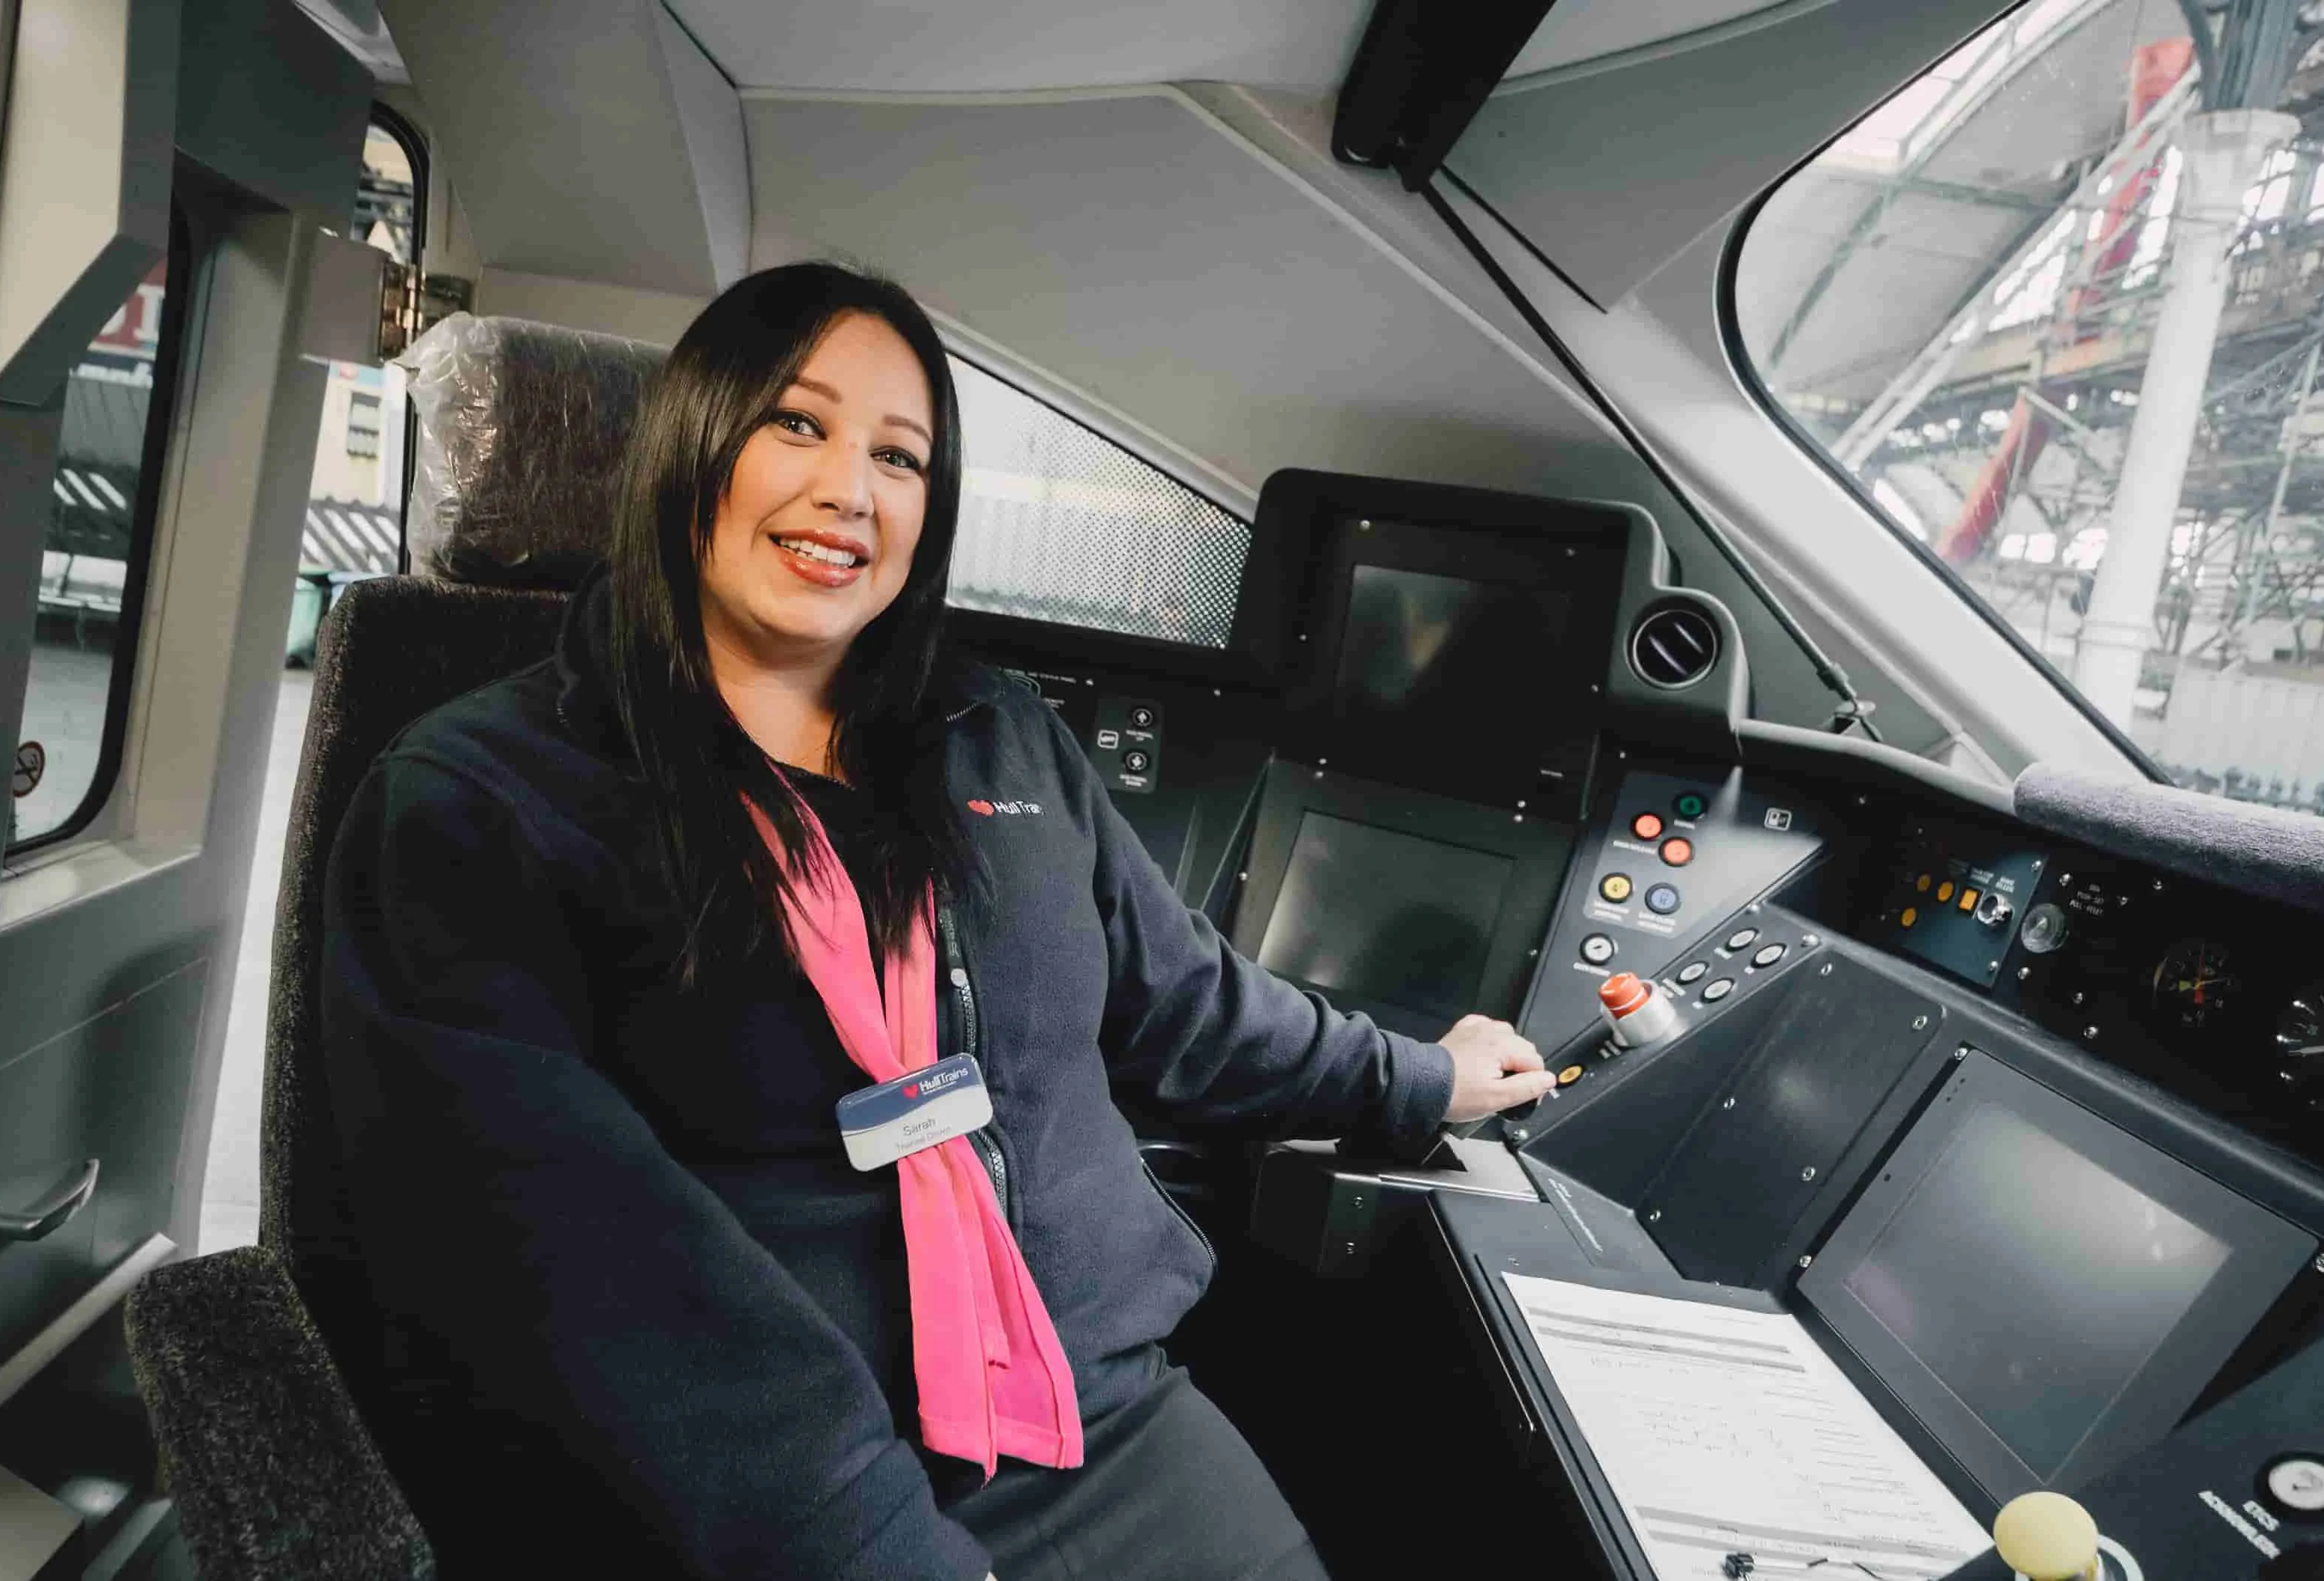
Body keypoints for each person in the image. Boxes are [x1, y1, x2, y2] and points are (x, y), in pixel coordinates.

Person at [322, 261, 1555, 1581]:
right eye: (796, 423)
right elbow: (571, 1267)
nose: (849, 488)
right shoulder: (479, 801)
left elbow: (1186, 1002)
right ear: (692, 446)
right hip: (759, 1492)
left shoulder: (995, 737)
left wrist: (1420, 1078)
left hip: (1087, 1414)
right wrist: (871, 1543)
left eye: (899, 457)